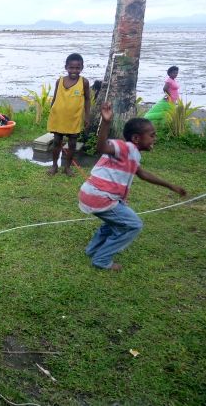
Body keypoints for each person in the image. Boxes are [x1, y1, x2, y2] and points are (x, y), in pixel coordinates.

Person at [78, 103, 186, 271]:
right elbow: (101, 147)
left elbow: (142, 174)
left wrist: (171, 186)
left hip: (94, 194)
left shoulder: (133, 155)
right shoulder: (125, 147)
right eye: (151, 135)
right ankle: (101, 260)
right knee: (133, 224)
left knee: (114, 222)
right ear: (136, 138)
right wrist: (106, 122)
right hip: (100, 196)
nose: (154, 139)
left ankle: (92, 250)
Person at [47, 53, 91, 176]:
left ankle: (67, 167)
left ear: (82, 68)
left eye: (77, 68)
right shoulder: (59, 81)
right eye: (71, 67)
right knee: (57, 142)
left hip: (74, 118)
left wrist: (87, 116)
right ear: (66, 67)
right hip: (59, 117)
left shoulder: (84, 82)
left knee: (72, 144)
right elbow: (55, 97)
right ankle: (54, 166)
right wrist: (51, 112)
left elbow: (87, 99)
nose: (74, 70)